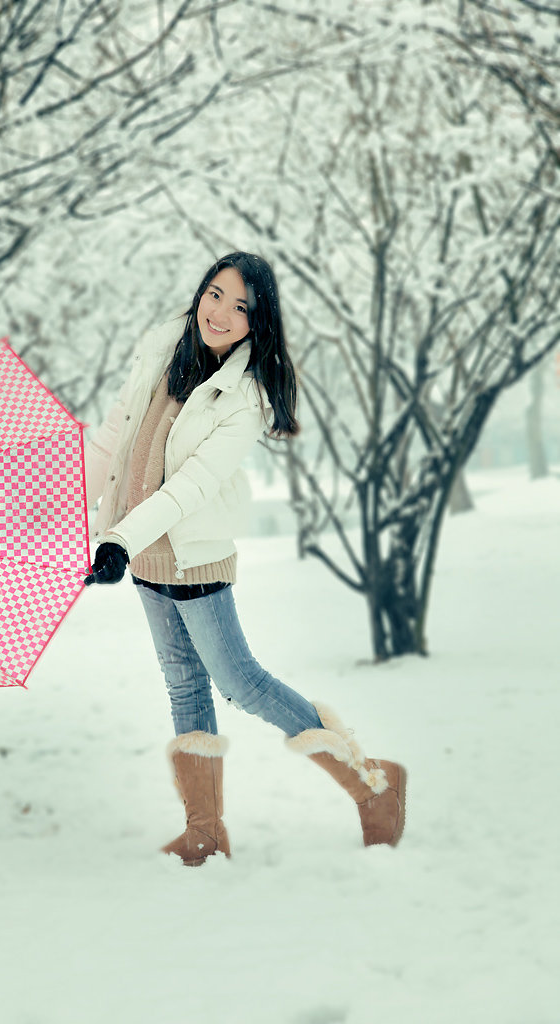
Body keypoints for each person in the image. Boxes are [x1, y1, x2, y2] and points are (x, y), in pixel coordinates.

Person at [84, 252, 406, 866]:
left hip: (192, 561)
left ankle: (373, 783)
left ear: (258, 323)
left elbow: (192, 487)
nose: (222, 313)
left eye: (241, 306)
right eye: (214, 294)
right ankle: (204, 829)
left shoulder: (244, 396)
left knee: (241, 683)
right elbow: (112, 437)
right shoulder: (160, 350)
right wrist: (68, 512)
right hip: (144, 559)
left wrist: (119, 539)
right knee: (184, 687)